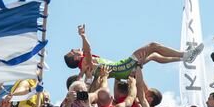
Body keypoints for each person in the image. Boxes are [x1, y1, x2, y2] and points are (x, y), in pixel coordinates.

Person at [64, 24, 204, 80]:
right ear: (75, 58)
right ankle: (186, 55)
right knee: (153, 45)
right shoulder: (84, 63)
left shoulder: (82, 67)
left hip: (122, 70)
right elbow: (88, 50)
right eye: (71, 52)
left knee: (153, 55)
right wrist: (83, 36)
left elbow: (85, 57)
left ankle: (184, 58)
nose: (73, 49)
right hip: (123, 66)